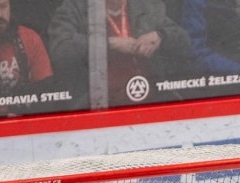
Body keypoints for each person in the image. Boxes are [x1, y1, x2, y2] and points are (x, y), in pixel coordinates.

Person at [48, 0, 190, 105]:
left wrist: (161, 36)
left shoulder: (146, 6)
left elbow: (185, 43)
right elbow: (60, 49)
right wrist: (109, 43)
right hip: (98, 106)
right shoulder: (74, 8)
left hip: (152, 100)